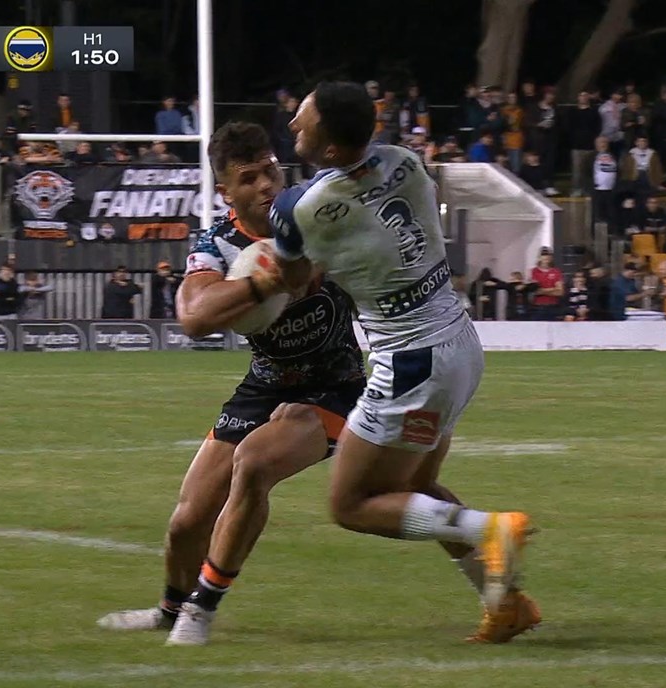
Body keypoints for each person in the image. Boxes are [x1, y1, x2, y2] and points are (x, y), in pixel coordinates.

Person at [98, 122, 485, 646]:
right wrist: (265, 280)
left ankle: (201, 613)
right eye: (249, 177)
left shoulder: (319, 219)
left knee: (255, 465)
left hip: (335, 386)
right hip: (264, 384)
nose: (264, 185)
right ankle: (171, 609)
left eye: (270, 170)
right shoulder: (218, 243)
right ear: (225, 192)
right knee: (186, 521)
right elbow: (193, 316)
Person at [269, 81, 539, 642]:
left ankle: (489, 529)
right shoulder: (407, 161)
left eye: (304, 120)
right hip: (459, 342)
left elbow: (294, 284)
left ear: (332, 148)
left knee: (350, 503)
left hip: (411, 359)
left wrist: (269, 257)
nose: (294, 124)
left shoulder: (299, 209)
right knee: (418, 489)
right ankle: (505, 602)